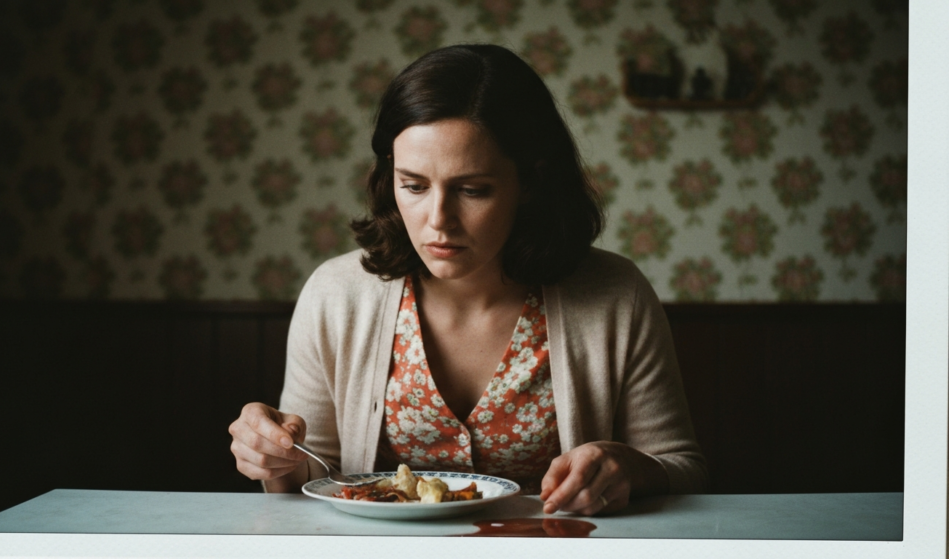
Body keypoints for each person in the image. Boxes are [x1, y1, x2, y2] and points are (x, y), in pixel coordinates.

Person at [229, 44, 708, 516]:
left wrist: (629, 467)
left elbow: (683, 467)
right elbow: (314, 484)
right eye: (414, 186)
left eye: (472, 190)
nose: (438, 220)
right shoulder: (335, 295)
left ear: (531, 182)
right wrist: (273, 460)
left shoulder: (615, 295)